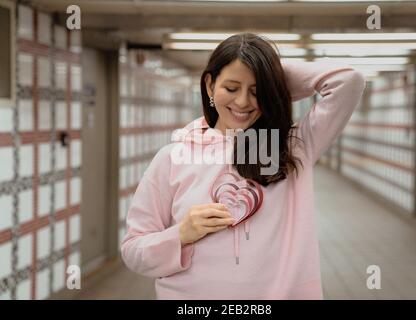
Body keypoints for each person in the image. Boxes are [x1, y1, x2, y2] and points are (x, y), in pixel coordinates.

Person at [121, 33, 366, 299]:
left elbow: (348, 81)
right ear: (209, 84)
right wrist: (180, 234)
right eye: (231, 88)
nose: (242, 102)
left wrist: (269, 76)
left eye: (256, 91)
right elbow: (134, 251)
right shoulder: (172, 157)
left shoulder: (293, 147)